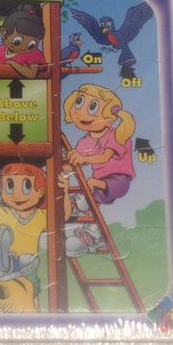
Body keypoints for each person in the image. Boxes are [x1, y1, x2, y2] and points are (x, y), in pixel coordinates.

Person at [0, 163, 71, 309]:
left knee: (32, 300)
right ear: (1, 189)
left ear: (40, 191)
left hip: (26, 269)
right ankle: (1, 263)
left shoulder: (40, 216)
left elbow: (63, 216)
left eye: (26, 186)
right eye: (10, 186)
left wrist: (65, 192)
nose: (16, 195)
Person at [62, 84, 136, 257]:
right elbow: (76, 166)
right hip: (99, 185)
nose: (81, 112)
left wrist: (84, 159)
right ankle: (91, 235)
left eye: (92, 107)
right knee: (92, 204)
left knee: (92, 189)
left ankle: (84, 214)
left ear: (109, 119)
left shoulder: (115, 135)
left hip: (118, 181)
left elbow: (104, 157)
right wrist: (59, 166)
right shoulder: (84, 142)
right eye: (79, 103)